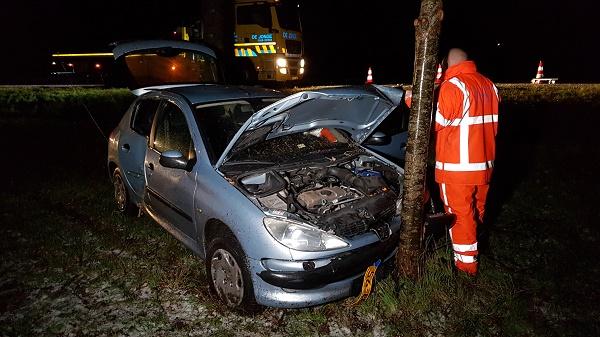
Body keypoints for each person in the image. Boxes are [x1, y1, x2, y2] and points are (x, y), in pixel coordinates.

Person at [434, 48, 499, 275]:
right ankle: (476, 248)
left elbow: (433, 123)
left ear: (446, 65)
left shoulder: (452, 87)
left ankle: (466, 269)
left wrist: (415, 101)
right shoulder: (489, 85)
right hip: (484, 166)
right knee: (476, 212)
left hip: (457, 169)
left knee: (460, 218)